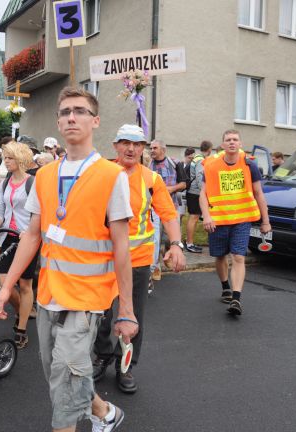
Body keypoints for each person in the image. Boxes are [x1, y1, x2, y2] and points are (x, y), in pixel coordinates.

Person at [0, 87, 139, 432]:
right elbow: (31, 235)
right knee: (59, 375)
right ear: (58, 122)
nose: (71, 117)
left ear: (95, 121)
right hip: (48, 296)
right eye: (65, 112)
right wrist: (6, 286)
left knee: (65, 386)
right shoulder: (44, 175)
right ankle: (104, 413)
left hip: (87, 300)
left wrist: (127, 310)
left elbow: (121, 248)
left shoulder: (111, 175)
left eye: (80, 111)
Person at [93, 124, 186, 394]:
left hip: (138, 260)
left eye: (136, 144)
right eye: (125, 142)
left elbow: (168, 214)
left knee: (132, 317)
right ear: (115, 146)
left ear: (143, 148)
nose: (130, 148)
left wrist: (176, 245)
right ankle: (103, 355)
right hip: (104, 259)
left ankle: (126, 366)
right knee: (101, 314)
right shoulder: (103, 174)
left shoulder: (151, 179)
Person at [199, 130, 271, 315]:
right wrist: (206, 216)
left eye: (235, 140)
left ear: (240, 144)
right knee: (220, 256)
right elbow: (203, 194)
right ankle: (225, 287)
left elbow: (259, 194)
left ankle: (236, 299)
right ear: (222, 145)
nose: (232, 142)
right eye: (228, 140)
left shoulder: (249, 164)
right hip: (218, 219)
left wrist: (266, 221)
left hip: (242, 219)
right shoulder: (212, 165)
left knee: (238, 257)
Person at [0, 141, 36, 349]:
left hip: (28, 238)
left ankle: (21, 328)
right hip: (8, 237)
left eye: (10, 158)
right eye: (5, 158)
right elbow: (0, 208)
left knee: (24, 284)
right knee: (1, 281)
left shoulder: (32, 182)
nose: (6, 161)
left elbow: (38, 213)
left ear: (21, 159)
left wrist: (30, 231)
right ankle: (23, 310)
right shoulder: (5, 182)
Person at [148, 139, 188, 281]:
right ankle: (156, 267)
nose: (152, 150)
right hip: (153, 210)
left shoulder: (175, 163)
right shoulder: (148, 165)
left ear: (163, 150)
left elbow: (184, 184)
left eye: (155, 148)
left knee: (169, 238)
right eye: (151, 148)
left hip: (171, 208)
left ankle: (168, 252)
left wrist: (170, 189)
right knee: (155, 239)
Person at [185, 140, 213, 253]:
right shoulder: (201, 159)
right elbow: (199, 178)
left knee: (193, 217)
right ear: (209, 149)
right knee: (194, 218)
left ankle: (189, 243)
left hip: (193, 192)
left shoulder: (196, 157)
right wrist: (205, 193)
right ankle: (189, 244)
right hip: (195, 193)